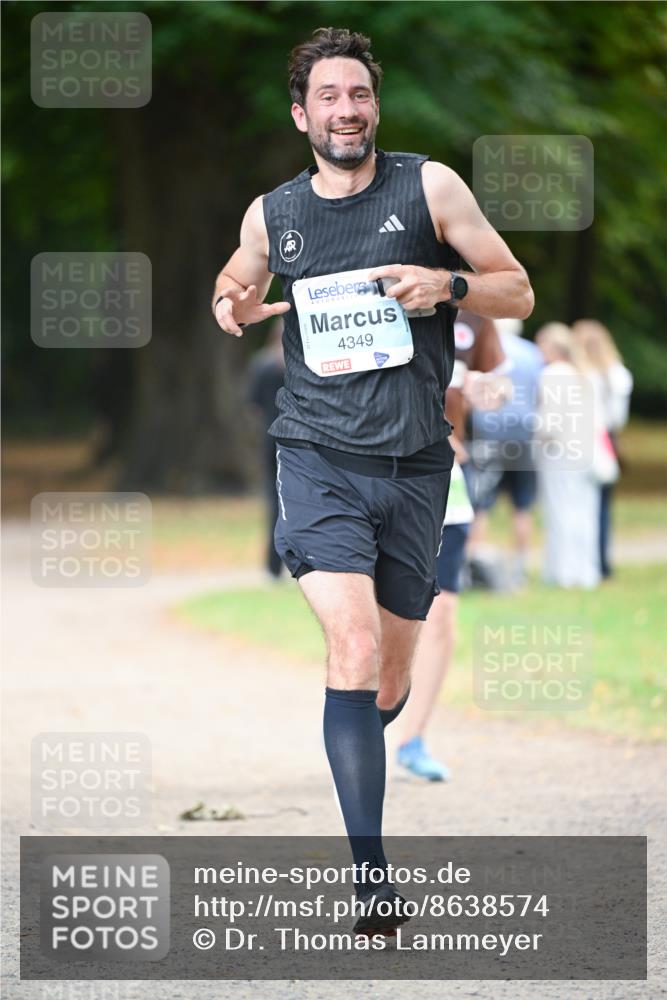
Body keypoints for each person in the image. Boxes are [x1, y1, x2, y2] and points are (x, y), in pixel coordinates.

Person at [211, 27, 533, 934]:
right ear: (299, 113)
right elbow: (233, 283)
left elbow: (516, 288)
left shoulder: (428, 186)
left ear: (373, 106)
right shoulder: (272, 212)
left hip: (417, 464)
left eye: (358, 95)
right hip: (315, 457)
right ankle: (371, 881)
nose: (345, 110)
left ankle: (359, 745)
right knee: (349, 648)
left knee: (386, 681)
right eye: (328, 97)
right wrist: (230, 305)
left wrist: (450, 287)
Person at [396, 311, 506, 781]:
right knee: (376, 618)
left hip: (446, 477)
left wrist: (490, 393)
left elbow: (497, 384)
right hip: (373, 474)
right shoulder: (370, 281)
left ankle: (412, 738)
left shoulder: (475, 310)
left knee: (442, 615)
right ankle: (359, 719)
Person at [466, 317, 544, 586]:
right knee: (522, 505)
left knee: (480, 504)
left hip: (489, 433)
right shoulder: (533, 353)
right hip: (523, 434)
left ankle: (475, 566)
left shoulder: (485, 348)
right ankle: (520, 568)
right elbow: (538, 393)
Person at [535, 322, 600, 589]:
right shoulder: (583, 374)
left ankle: (562, 571)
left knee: (560, 511)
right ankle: (585, 572)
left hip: (558, 452)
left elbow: (549, 422)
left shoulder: (553, 374)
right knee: (584, 511)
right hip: (585, 451)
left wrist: (535, 435)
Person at [572, 319, 633, 578]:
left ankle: (584, 561)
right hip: (606, 439)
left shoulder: (579, 374)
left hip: (582, 438)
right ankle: (601, 561)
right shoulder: (618, 373)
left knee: (580, 502)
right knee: (603, 504)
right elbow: (618, 418)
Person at [246, 321, 286, 579]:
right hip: (300, 439)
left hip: (269, 437)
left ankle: (273, 567)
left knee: (274, 500)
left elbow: (253, 404)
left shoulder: (262, 363)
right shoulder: (302, 362)